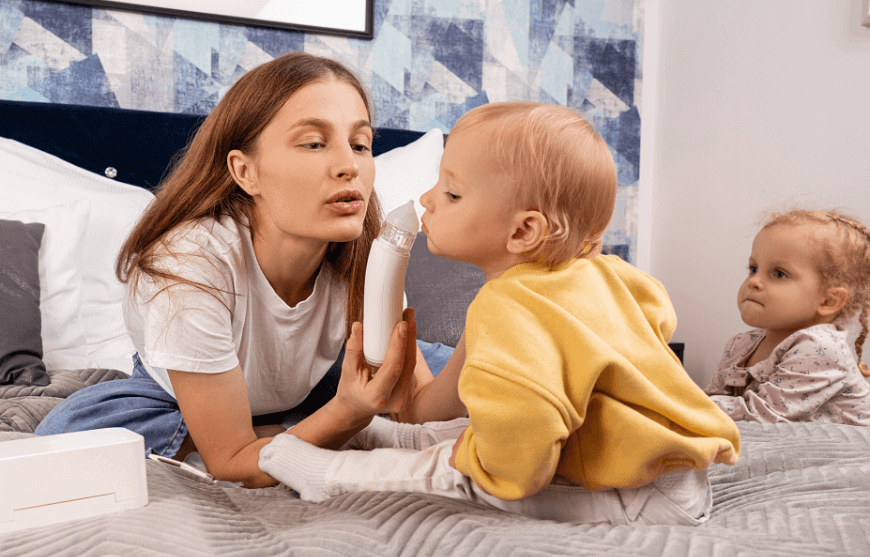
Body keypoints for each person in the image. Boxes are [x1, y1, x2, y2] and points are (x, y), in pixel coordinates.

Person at [258, 102, 742, 526]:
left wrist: (459, 466)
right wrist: (413, 423)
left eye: (452, 194)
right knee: (484, 430)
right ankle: (399, 440)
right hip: (671, 471)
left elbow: (515, 466)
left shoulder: (508, 309)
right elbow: (655, 316)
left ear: (523, 231)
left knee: (462, 472)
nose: (427, 199)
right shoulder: (605, 276)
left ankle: (332, 476)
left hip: (638, 495)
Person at [35, 52, 454, 487]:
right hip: (183, 390)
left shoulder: (367, 256)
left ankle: (291, 425)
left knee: (477, 378)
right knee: (71, 433)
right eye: (314, 143)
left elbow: (416, 406)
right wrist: (349, 413)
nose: (349, 165)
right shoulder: (188, 265)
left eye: (360, 144)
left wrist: (485, 333)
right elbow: (230, 461)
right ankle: (292, 424)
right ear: (245, 171)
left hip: (319, 376)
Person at [704, 209, 870, 425]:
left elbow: (763, 414)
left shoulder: (822, 349)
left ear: (828, 301)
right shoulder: (740, 345)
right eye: (753, 269)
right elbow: (711, 399)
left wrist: (682, 405)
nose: (753, 281)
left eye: (779, 274)